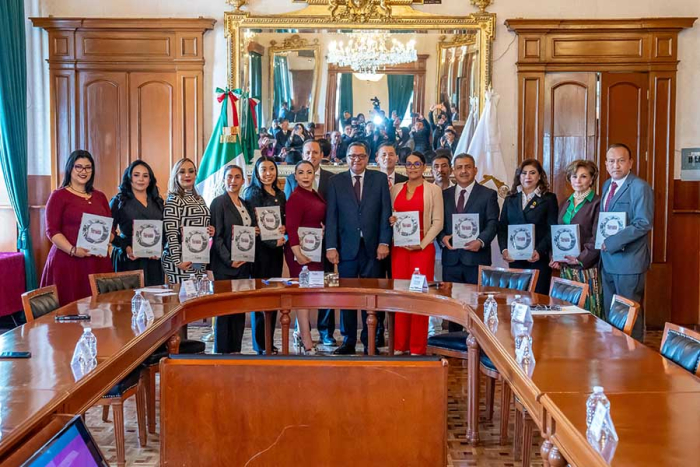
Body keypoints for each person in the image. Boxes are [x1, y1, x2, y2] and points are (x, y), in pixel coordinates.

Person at [325, 142, 392, 355]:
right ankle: (348, 341)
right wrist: (331, 246)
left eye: (361, 156)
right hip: (346, 249)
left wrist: (384, 242)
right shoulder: (336, 182)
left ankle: (370, 341)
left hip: (373, 249)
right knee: (348, 296)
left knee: (371, 297)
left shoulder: (379, 179)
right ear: (346, 158)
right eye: (352, 156)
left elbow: (385, 212)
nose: (356, 160)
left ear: (368, 158)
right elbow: (332, 216)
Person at [40, 150, 114, 305]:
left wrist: (106, 241)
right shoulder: (58, 196)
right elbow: (52, 231)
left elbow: (110, 228)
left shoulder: (100, 196)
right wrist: (73, 250)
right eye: (78, 167)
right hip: (68, 262)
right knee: (69, 310)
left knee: (100, 311)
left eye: (88, 167)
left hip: (97, 262)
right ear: (70, 168)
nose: (83, 171)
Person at [389, 152, 444, 355]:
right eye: (409, 164)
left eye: (417, 164)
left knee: (419, 296)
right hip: (400, 249)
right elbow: (391, 215)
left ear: (424, 167)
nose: (412, 167)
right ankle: (400, 344)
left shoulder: (433, 190)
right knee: (400, 295)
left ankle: (417, 347)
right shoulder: (395, 189)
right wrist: (391, 220)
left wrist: (421, 244)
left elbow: (438, 222)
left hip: (422, 249)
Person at [437, 154, 499, 330]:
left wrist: (480, 241)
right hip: (451, 260)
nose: (463, 171)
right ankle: (453, 341)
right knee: (453, 307)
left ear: (475, 170)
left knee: (477, 307)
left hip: (476, 259)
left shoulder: (488, 194)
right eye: (459, 167)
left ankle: (477, 342)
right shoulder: (444, 195)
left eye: (468, 167)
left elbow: (493, 223)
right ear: (453, 171)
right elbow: (437, 222)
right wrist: (442, 237)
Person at [284, 139, 336, 345]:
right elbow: (291, 227)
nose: (305, 176)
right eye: (301, 173)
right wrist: (298, 254)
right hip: (300, 252)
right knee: (302, 295)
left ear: (314, 174)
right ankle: (305, 339)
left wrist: (321, 228)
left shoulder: (313, 193)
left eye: (309, 172)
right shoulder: (296, 197)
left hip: (314, 249)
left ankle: (303, 334)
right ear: (295, 176)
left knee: (309, 294)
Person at [599, 143, 654, 340]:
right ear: (606, 164)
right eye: (611, 161)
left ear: (630, 163)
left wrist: (613, 242)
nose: (616, 165)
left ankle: (635, 354)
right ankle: (615, 353)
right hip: (608, 260)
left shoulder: (640, 187)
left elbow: (643, 223)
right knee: (612, 315)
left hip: (629, 262)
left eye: (621, 161)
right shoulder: (607, 185)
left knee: (630, 317)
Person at [209, 164, 256, 353]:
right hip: (225, 266)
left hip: (243, 265)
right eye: (229, 176)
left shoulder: (246, 204)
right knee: (224, 311)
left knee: (238, 310)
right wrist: (229, 260)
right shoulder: (218, 203)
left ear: (243, 180)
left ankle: (236, 351)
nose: (233, 181)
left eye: (237, 177)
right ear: (223, 180)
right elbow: (217, 236)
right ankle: (222, 352)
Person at [549, 160, 603, 318]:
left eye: (583, 176)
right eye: (574, 176)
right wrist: (555, 256)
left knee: (586, 313)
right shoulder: (565, 203)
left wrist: (580, 259)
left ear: (591, 179)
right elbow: (557, 233)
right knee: (567, 315)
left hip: (586, 269)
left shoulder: (598, 203)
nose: (578, 180)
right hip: (566, 268)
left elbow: (597, 237)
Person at [244, 156, 286, 354]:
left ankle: (269, 341)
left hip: (276, 252)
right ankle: (261, 344)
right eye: (263, 169)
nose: (268, 173)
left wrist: (283, 230)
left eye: (271, 168)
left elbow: (281, 221)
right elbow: (254, 225)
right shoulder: (253, 193)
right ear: (257, 172)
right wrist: (271, 241)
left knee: (273, 296)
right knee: (260, 298)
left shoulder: (280, 194)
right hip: (260, 252)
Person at [498, 159, 558, 295]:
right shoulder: (510, 198)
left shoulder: (548, 199)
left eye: (532, 173)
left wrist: (539, 250)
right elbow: (502, 227)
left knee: (537, 299)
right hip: (515, 259)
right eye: (524, 173)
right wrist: (504, 250)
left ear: (539, 176)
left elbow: (551, 228)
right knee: (516, 298)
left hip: (537, 258)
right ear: (519, 176)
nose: (528, 176)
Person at [110, 160, 165, 287]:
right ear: (129, 178)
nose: (141, 179)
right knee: (128, 298)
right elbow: (108, 232)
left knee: (155, 297)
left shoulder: (158, 202)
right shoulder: (119, 201)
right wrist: (125, 247)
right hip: (128, 258)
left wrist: (161, 247)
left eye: (145, 176)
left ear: (150, 180)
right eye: (136, 175)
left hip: (153, 261)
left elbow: (165, 231)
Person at [162, 158, 214, 285]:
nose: (187, 175)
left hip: (199, 256)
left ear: (195, 174)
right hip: (180, 259)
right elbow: (171, 232)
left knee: (198, 294)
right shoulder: (174, 199)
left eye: (191, 171)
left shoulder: (199, 199)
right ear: (176, 176)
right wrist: (177, 261)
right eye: (182, 172)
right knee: (184, 295)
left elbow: (203, 223)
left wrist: (210, 229)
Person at [428, 151, 454, 334]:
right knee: (433, 287)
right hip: (431, 248)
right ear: (431, 170)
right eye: (436, 166)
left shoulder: (457, 191)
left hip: (454, 249)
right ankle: (434, 329)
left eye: (444, 166)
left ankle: (454, 327)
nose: (440, 170)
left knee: (452, 288)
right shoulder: (426, 191)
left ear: (450, 169)